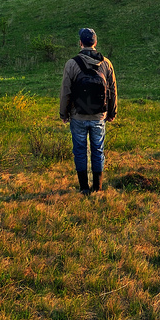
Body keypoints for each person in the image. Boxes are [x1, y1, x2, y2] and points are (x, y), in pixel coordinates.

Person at [59, 27, 118, 194]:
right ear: (95, 42)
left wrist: (64, 113)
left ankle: (84, 187)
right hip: (99, 115)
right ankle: (98, 188)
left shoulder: (72, 64)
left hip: (78, 115)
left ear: (80, 43)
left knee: (80, 150)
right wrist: (112, 112)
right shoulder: (106, 63)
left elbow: (66, 90)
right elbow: (112, 89)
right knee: (98, 149)